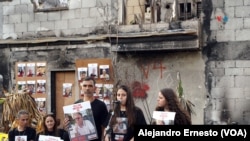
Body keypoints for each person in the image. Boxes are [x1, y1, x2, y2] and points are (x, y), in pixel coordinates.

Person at [64, 76, 108, 141]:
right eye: (84, 85)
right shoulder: (76, 104)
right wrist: (66, 125)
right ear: (81, 87)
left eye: (90, 86)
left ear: (94, 88)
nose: (87, 88)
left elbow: (105, 126)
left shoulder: (101, 105)